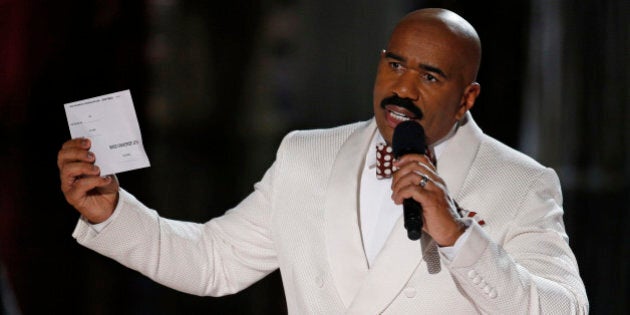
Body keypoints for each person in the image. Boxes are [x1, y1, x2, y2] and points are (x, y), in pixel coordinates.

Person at [57, 8, 588, 314]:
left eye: (430, 76)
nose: (403, 88)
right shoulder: (306, 155)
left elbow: (565, 309)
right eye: (395, 65)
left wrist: (459, 238)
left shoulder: (519, 183)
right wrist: (114, 213)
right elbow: (214, 262)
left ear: (467, 97)